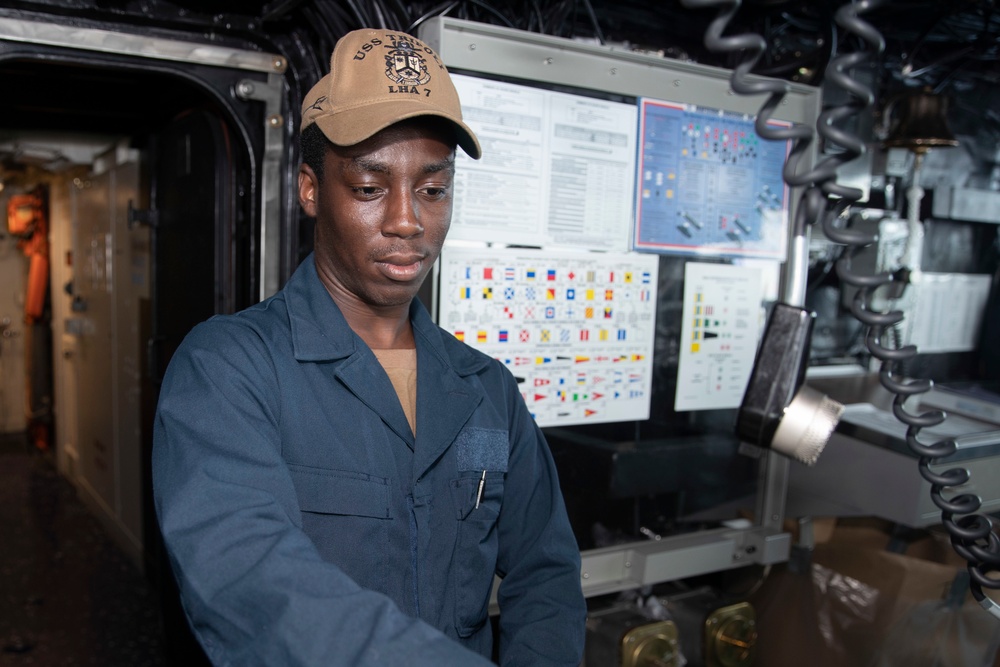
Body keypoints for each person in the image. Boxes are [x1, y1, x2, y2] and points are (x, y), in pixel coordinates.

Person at [152, 28, 587, 666]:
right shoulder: (229, 371)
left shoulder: (486, 390)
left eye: (433, 190)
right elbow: (253, 585)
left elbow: (546, 573)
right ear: (310, 189)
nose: (407, 220)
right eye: (369, 189)